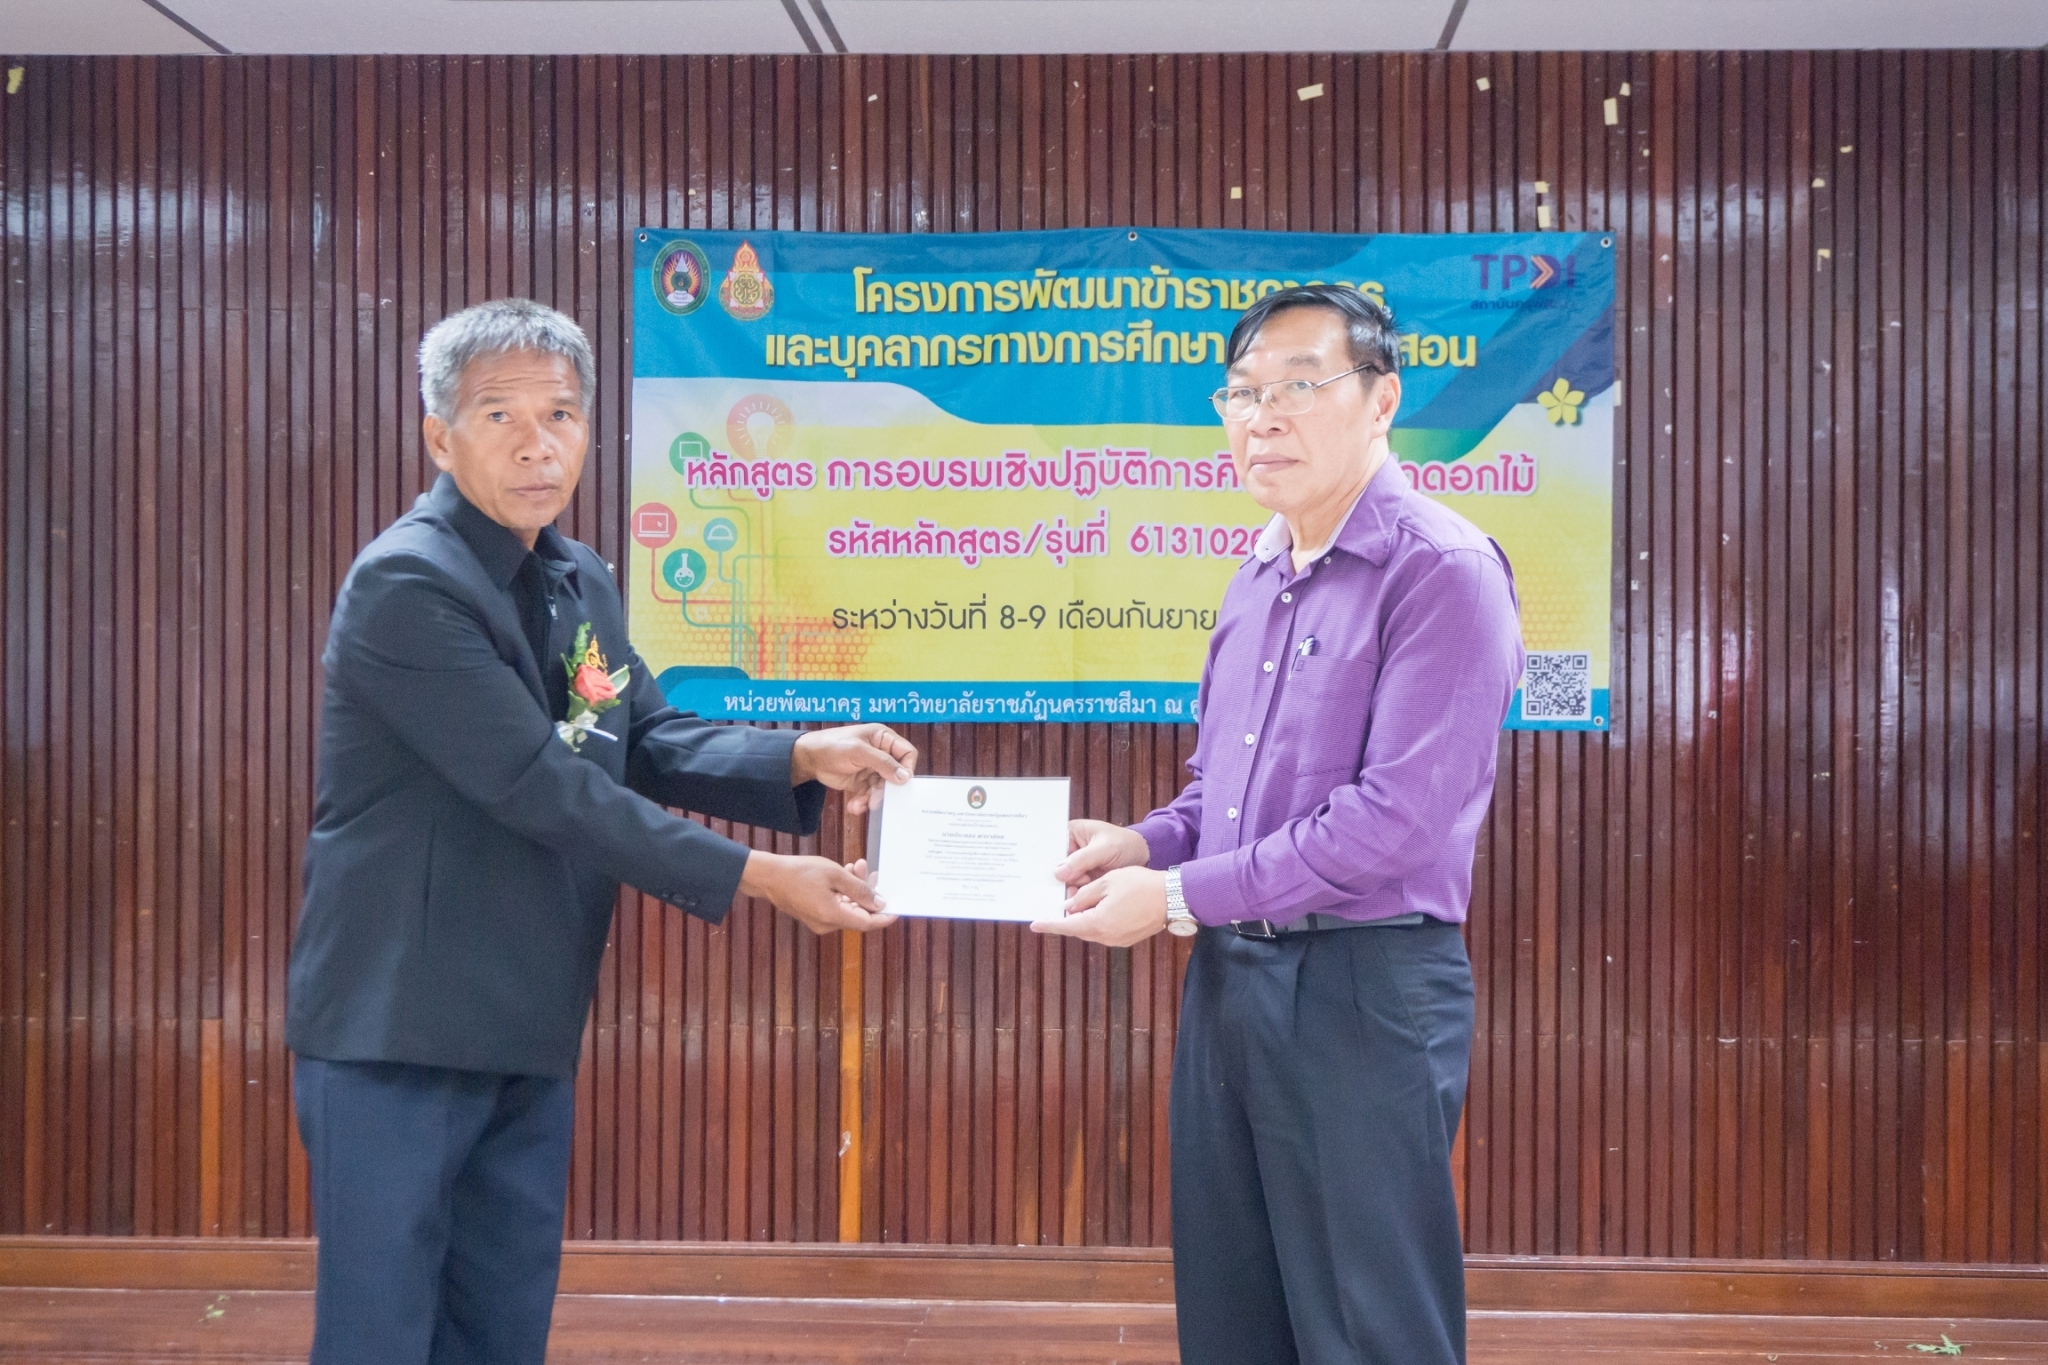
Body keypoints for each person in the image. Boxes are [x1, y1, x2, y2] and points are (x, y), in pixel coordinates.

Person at [285, 298, 912, 1365]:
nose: (538, 444)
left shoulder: (580, 577)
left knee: (500, 1326)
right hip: (397, 1031)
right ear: (439, 436)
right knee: (381, 1333)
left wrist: (801, 755)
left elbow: (643, 737)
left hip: (526, 1016)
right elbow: (542, 786)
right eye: (500, 415)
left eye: (561, 415)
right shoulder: (408, 582)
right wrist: (761, 876)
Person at [1039, 284, 1525, 1364]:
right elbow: (1218, 798)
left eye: (1299, 386)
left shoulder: (1441, 571)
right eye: (1242, 393)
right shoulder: (1256, 578)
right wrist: (1141, 845)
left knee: (1368, 1328)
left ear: (1381, 399)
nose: (1262, 417)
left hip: (1364, 990)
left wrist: (1171, 895)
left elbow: (1392, 822)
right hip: (1230, 982)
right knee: (1233, 1314)